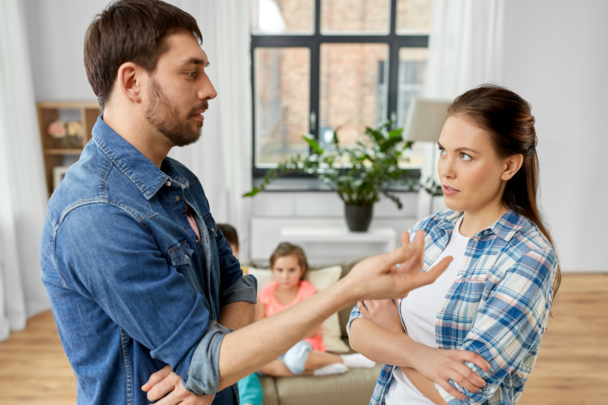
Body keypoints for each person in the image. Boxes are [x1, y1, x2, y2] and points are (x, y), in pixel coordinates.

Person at [39, 1, 453, 404]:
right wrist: (347, 289)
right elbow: (208, 360)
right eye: (191, 72)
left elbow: (237, 284)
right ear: (132, 82)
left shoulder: (179, 180)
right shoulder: (96, 214)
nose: (210, 89)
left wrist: (209, 369)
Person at [348, 85, 561, 405]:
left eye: (465, 156)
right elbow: (357, 328)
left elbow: (462, 395)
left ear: (509, 166)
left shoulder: (528, 258)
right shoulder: (428, 232)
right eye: (443, 151)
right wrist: (419, 356)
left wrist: (393, 338)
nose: (446, 169)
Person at [257, 243, 376, 377]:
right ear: (272, 270)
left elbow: (312, 330)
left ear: (301, 270)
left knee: (295, 359)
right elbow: (259, 329)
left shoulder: (306, 291)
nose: (285, 276)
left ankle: (346, 360)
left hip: (300, 344)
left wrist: (282, 335)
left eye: (291, 270)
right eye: (279, 270)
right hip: (274, 348)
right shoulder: (265, 295)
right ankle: (317, 371)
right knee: (259, 366)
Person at [216, 223, 263, 405]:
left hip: (241, 342)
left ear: (237, 249)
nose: (225, 256)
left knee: (245, 376)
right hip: (219, 345)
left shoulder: (244, 279)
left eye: (229, 250)